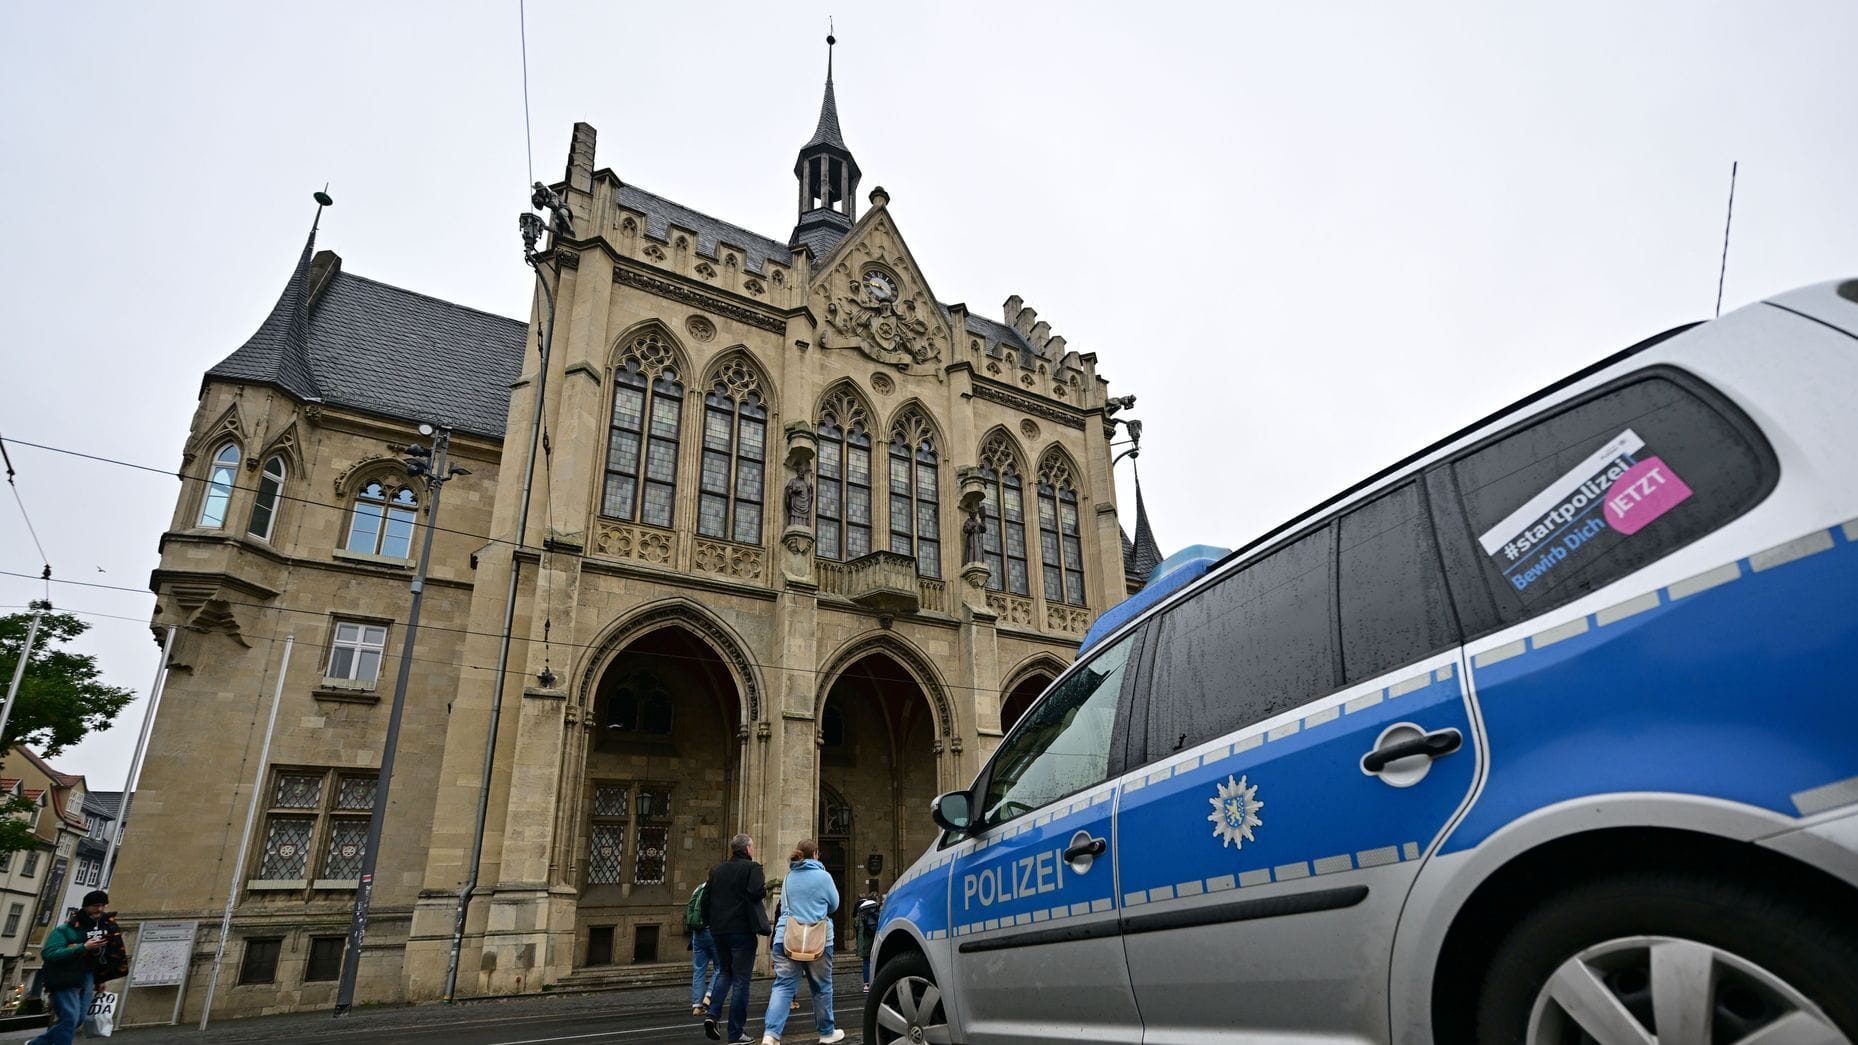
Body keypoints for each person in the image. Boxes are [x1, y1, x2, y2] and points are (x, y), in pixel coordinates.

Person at [759, 839, 842, 1045]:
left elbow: (784, 906)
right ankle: (826, 1033)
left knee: (783, 986)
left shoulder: (788, 877)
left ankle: (770, 1035)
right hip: (819, 940)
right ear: (815, 854)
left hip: (786, 938)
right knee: (822, 987)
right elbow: (834, 905)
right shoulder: (824, 876)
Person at [701, 834, 766, 1044]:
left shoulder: (717, 871)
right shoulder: (752, 868)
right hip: (742, 931)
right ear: (747, 849)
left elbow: (705, 900)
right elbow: (756, 892)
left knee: (724, 972)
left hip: (719, 931)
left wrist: (710, 922)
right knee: (741, 981)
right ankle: (736, 1033)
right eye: (752, 847)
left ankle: (712, 1015)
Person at [27, 890, 113, 1045]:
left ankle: (37, 1044)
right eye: (96, 906)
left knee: (78, 1018)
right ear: (86, 907)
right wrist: (83, 947)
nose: (100, 909)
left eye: (103, 906)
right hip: (64, 977)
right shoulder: (65, 929)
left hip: (86, 976)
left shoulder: (98, 928)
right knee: (70, 1018)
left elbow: (96, 958)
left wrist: (99, 979)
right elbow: (49, 953)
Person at [686, 875, 720, 1016]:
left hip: (697, 933)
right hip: (712, 931)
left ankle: (697, 1005)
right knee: (721, 967)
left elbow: (690, 907)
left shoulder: (698, 889)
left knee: (699, 970)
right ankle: (709, 994)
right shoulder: (718, 890)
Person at [853, 891, 882, 992]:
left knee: (866, 962)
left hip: (864, 940)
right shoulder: (875, 909)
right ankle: (876, 982)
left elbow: (856, 925)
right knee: (877, 960)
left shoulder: (860, 910)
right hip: (874, 938)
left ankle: (866, 985)